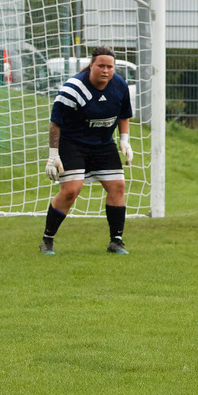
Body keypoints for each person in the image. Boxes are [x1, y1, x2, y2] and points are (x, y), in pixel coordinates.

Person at [40, 46, 134, 255]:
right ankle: (47, 239)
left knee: (117, 186)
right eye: (101, 65)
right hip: (73, 144)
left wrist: (124, 141)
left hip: (102, 144)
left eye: (110, 66)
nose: (105, 70)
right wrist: (53, 156)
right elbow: (55, 123)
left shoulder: (119, 85)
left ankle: (116, 242)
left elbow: (124, 114)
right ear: (92, 65)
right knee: (71, 191)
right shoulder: (73, 88)